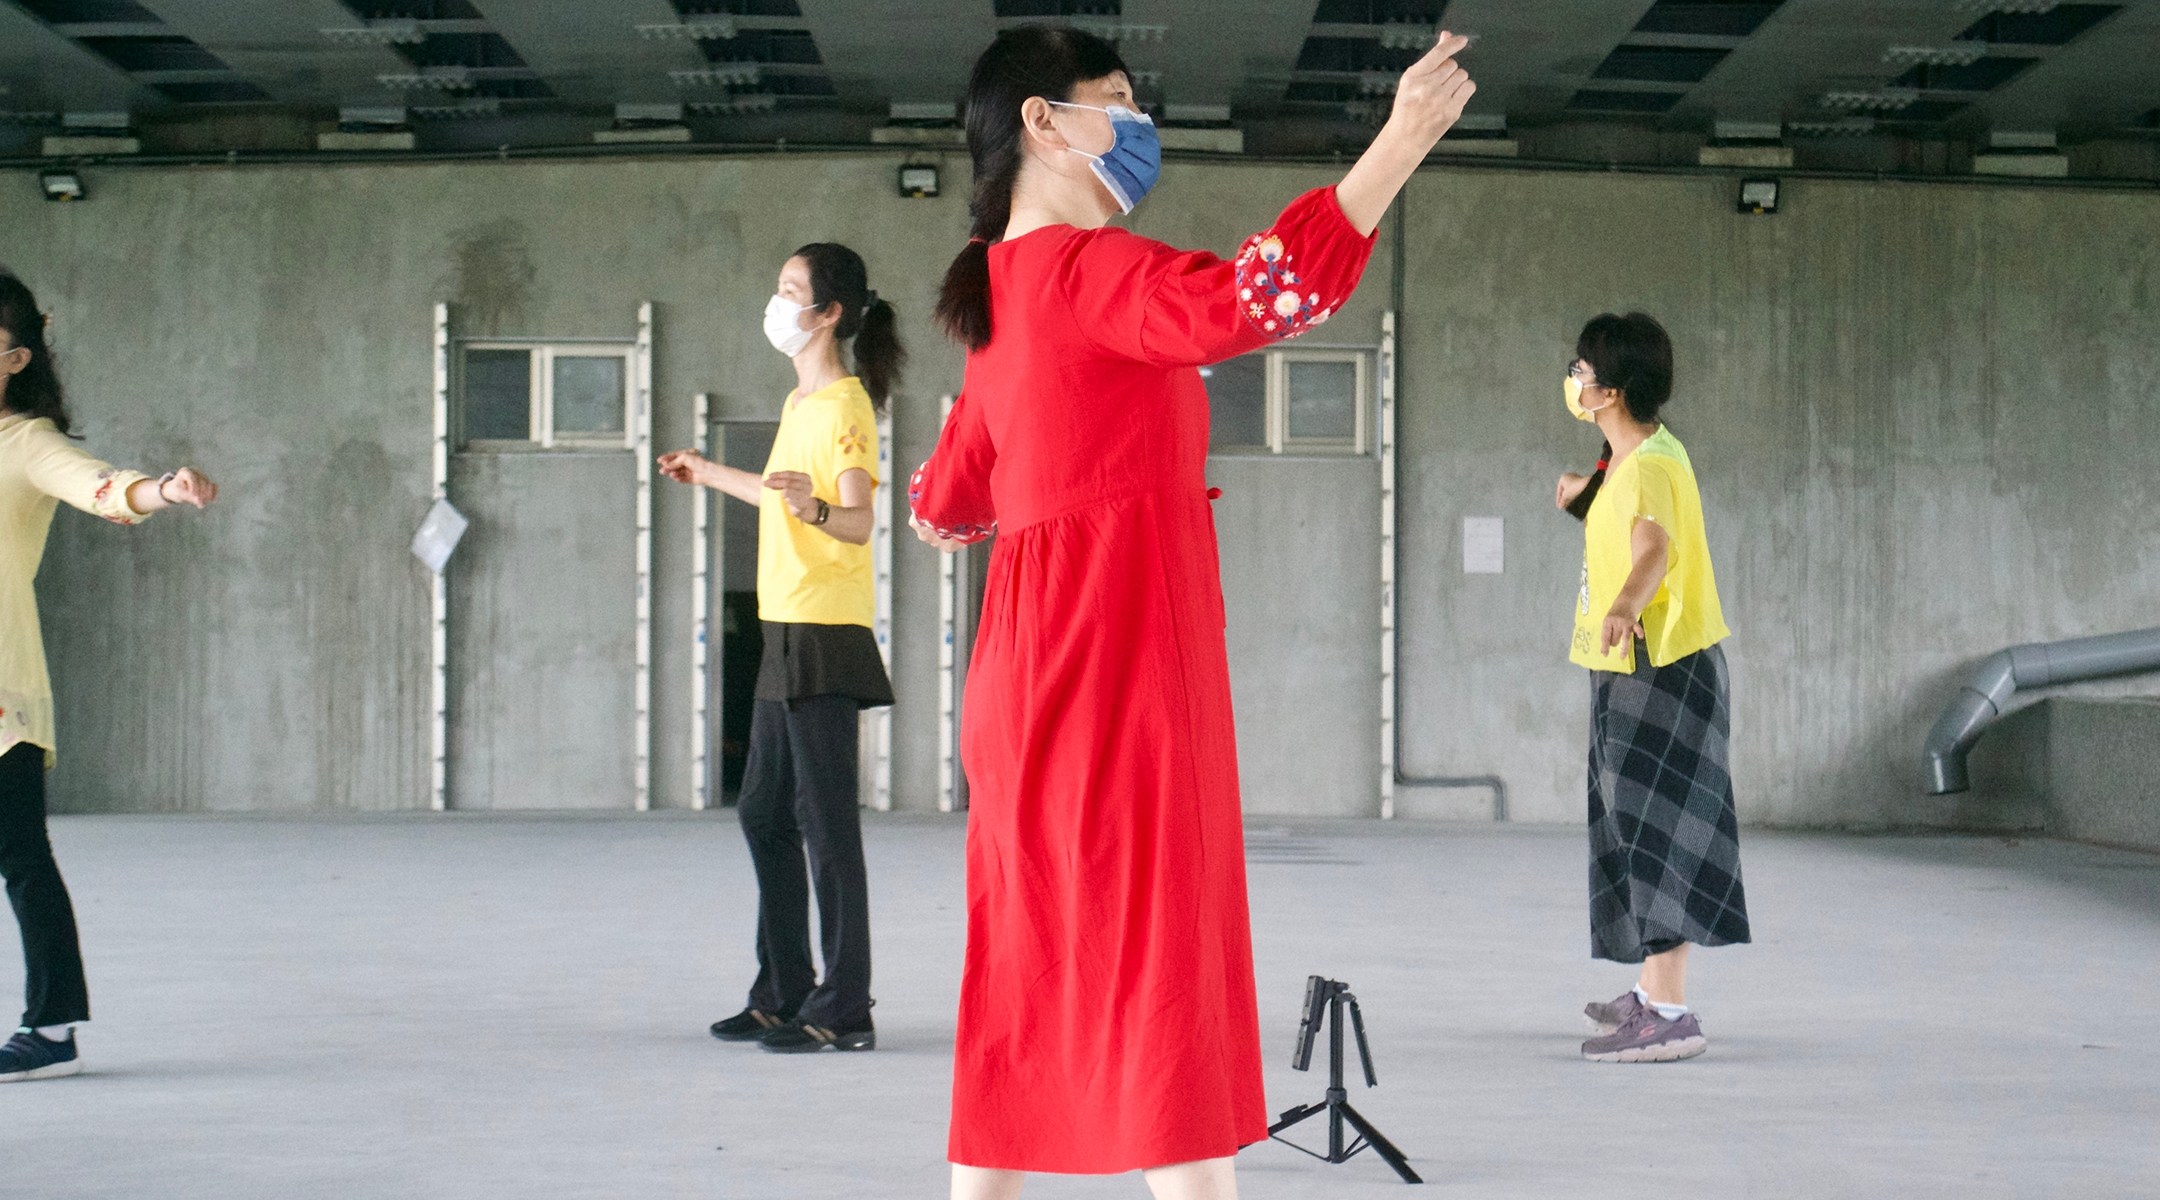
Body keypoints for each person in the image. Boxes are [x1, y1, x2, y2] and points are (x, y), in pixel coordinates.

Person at [907, 24, 1474, 1198]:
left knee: (1033, 963)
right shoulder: (1081, 273)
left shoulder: (999, 303)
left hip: (1026, 669)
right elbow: (1254, 297)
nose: (1137, 121)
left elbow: (945, 507)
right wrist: (1399, 144)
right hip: (1117, 661)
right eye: (1115, 100)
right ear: (1043, 124)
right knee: (1161, 965)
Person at [658, 243, 901, 1054]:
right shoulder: (799, 405)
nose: (777, 302)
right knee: (765, 811)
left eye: (791, 291)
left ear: (828, 313)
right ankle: (785, 988)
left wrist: (818, 511)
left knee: (825, 823)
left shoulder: (845, 407)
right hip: (783, 625)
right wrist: (705, 471)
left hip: (825, 633)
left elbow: (860, 523)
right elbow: (780, 497)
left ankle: (846, 1005)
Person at [0, 270, 219, 1083]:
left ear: (16, 358)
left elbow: (100, 487)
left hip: (0, 694)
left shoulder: (28, 443)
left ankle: (52, 1029)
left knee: (19, 856)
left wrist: (162, 489)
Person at [1554, 312, 1749, 1064]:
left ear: (1611, 390)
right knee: (1628, 826)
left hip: (1659, 667)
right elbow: (1621, 516)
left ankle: (1670, 1011)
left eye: (1580, 370)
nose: (1572, 380)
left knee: (1659, 828)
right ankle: (1650, 989)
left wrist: (1627, 602)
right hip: (1628, 665)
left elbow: (1653, 548)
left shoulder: (1653, 465)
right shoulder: (1630, 459)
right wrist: (1581, 500)